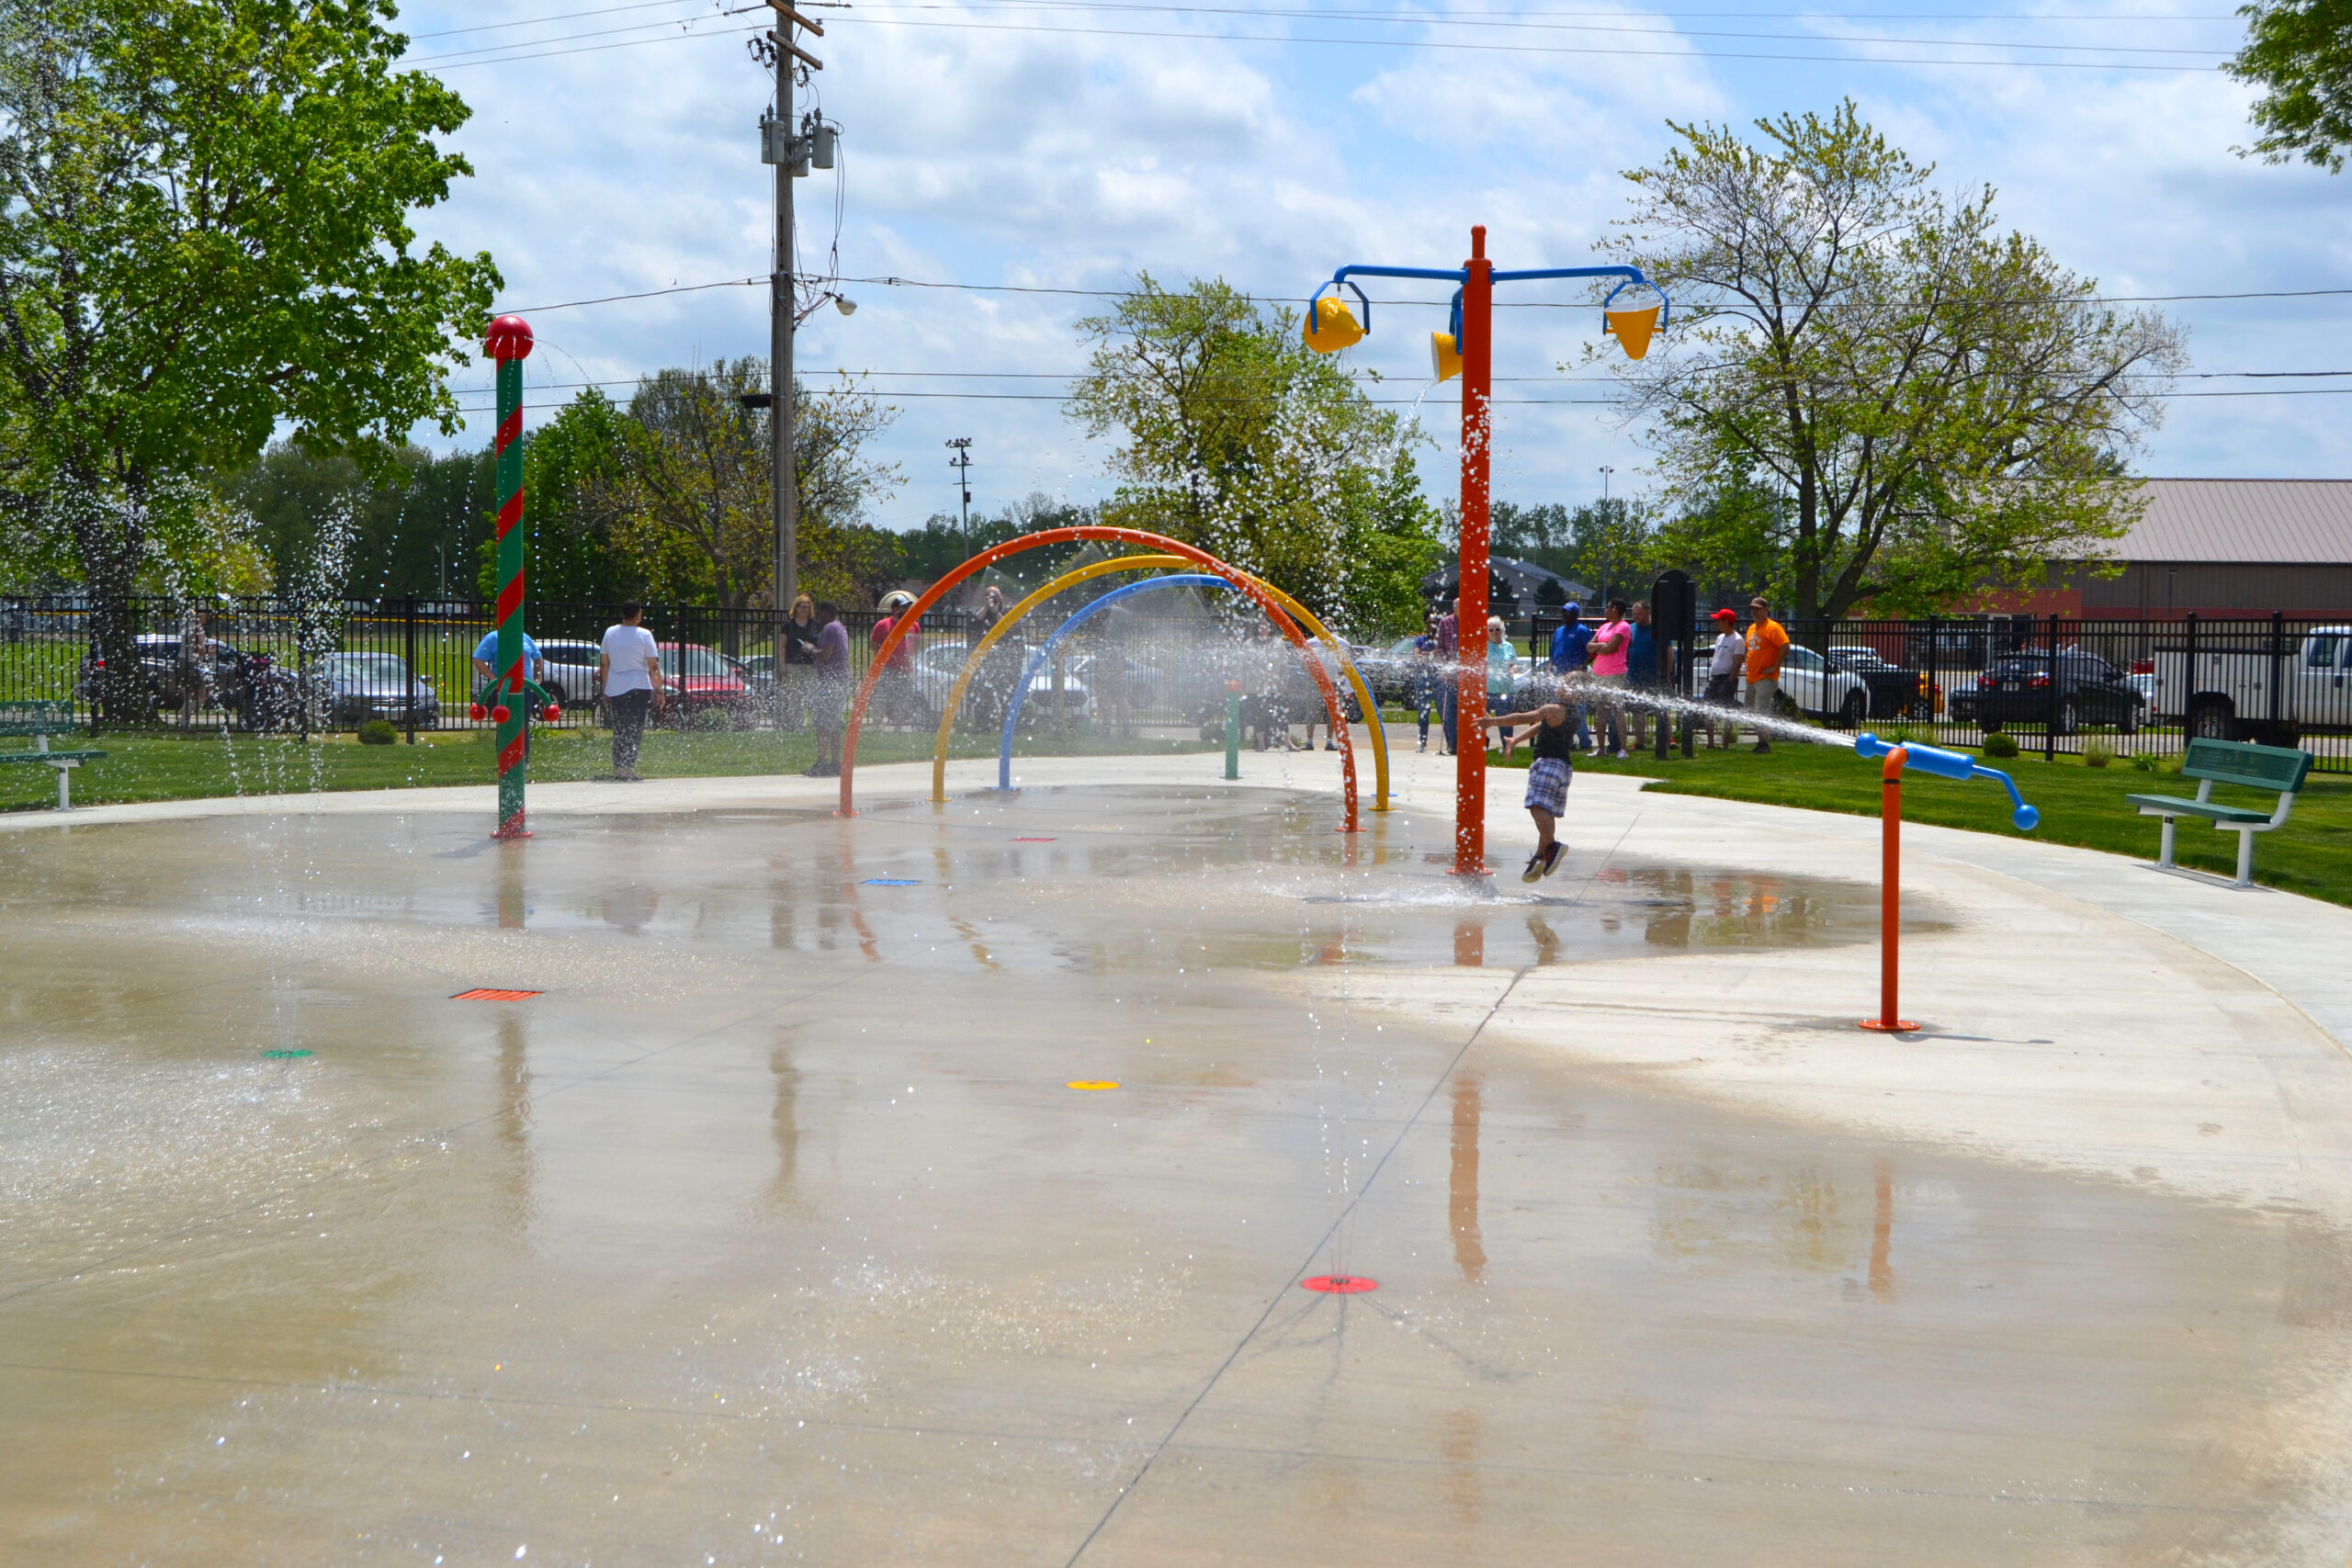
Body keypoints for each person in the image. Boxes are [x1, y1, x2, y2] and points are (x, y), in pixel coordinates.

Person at [1478, 681, 1577, 883]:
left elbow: (1523, 718)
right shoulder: (1572, 712)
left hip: (1547, 763)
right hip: (1563, 767)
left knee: (1536, 806)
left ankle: (1552, 846)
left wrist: (1492, 722)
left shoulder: (1553, 709)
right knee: (1546, 814)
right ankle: (1540, 856)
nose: (1559, 685)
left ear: (1572, 691)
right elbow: (1540, 726)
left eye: (1565, 683)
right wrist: (1516, 741)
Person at [595, 603, 663, 782]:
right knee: (635, 728)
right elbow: (653, 665)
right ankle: (628, 767)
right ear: (638, 614)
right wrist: (660, 689)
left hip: (617, 687)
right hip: (639, 686)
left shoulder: (610, 633)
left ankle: (619, 768)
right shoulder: (644, 635)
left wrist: (606, 687)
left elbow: (604, 663)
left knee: (620, 728)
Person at [807, 601, 849, 775]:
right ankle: (836, 762)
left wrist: (810, 650)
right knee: (834, 724)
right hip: (839, 682)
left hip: (830, 684)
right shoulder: (841, 627)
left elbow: (825, 654)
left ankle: (823, 763)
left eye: (819, 612)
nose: (817, 616)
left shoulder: (830, 628)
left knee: (822, 725)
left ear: (826, 613)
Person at [1743, 595, 1791, 752]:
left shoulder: (1773, 627)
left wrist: (1774, 666)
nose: (1754, 612)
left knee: (1761, 710)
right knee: (1750, 709)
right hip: (1752, 677)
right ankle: (1761, 740)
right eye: (1752, 609)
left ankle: (1764, 744)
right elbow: (1748, 649)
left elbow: (1785, 646)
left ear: (1766, 609)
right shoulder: (1751, 629)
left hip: (1766, 677)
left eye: (1757, 609)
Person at [1547, 602, 1596, 751]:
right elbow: (1552, 652)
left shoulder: (1582, 631)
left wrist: (1582, 666)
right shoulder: (1559, 631)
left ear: (1575, 615)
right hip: (1559, 675)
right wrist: (1550, 667)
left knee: (1577, 709)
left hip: (1575, 677)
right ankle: (1567, 742)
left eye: (1567, 613)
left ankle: (1585, 742)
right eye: (1563, 612)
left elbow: (1592, 651)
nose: (1564, 615)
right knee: (1561, 710)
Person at [1589, 599, 1633, 757]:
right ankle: (1601, 748)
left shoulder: (1623, 626)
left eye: (1607, 607)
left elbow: (1611, 648)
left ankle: (1623, 749)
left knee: (1617, 710)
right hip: (1598, 673)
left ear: (1614, 609)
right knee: (1600, 711)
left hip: (1615, 673)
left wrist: (1600, 647)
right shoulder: (1604, 627)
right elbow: (1589, 646)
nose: (1605, 610)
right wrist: (1602, 646)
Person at [778, 592, 819, 731]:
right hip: (793, 665)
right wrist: (783, 665)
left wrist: (813, 648)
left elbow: (821, 644)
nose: (805, 610)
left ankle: (815, 725)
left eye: (807, 607)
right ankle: (798, 726)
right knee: (795, 697)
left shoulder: (815, 625)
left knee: (813, 696)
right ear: (796, 608)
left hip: (811, 665)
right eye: (802, 607)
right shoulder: (788, 625)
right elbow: (782, 646)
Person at [1702, 607, 1743, 748]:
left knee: (1726, 711)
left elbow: (1738, 662)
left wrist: (1730, 680)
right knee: (1708, 709)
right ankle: (1711, 743)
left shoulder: (1737, 640)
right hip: (1715, 677)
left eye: (1719, 621)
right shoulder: (1720, 637)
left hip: (1727, 678)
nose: (1717, 623)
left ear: (1727, 621)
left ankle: (1725, 744)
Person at [1623, 601, 1658, 750]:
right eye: (1634, 614)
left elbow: (1669, 651)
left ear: (1648, 613)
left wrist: (1667, 673)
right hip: (1634, 676)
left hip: (1654, 676)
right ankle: (1640, 742)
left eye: (1639, 614)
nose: (1636, 617)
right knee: (1637, 710)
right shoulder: (1630, 629)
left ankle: (1669, 739)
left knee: (1661, 708)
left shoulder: (1657, 629)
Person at [1485, 615, 1518, 750]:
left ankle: (1507, 747)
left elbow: (1515, 663)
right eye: (1491, 630)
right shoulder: (1482, 645)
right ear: (1486, 632)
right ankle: (1482, 745)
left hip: (1504, 691)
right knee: (1482, 721)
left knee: (1505, 723)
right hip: (1486, 690)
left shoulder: (1508, 646)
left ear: (1502, 630)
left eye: (1497, 629)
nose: (1494, 632)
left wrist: (1513, 668)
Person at [1412, 612, 1442, 752]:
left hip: (1438, 680)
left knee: (1444, 712)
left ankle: (1450, 742)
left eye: (1434, 622)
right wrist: (1429, 655)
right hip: (1423, 680)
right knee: (1423, 713)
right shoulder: (1420, 640)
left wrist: (1428, 656)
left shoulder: (1441, 639)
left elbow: (1440, 656)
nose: (1432, 625)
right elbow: (1416, 656)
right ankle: (1422, 742)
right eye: (1429, 622)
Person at [1436, 594, 1461, 754]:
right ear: (1454, 608)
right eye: (1459, 607)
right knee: (1449, 709)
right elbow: (1439, 648)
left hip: (1466, 672)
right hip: (1450, 672)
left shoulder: (1472, 621)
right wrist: (1445, 667)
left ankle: (1466, 741)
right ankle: (1452, 743)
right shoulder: (1445, 622)